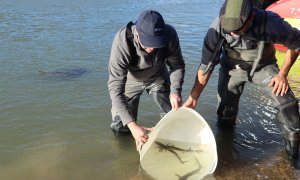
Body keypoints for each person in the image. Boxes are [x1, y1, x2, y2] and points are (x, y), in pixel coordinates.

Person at [183, 0, 300, 163]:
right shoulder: (217, 27)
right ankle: (225, 154)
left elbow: (296, 43)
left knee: (288, 105)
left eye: (236, 30)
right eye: (228, 31)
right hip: (232, 68)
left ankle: (292, 158)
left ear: (251, 17)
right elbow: (206, 66)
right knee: (225, 112)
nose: (231, 34)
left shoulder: (272, 22)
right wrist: (193, 97)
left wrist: (283, 74)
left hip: (263, 67)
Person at [108, 10, 185, 148]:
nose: (151, 48)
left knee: (173, 116)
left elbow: (177, 65)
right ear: (137, 32)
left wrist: (175, 91)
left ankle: (170, 140)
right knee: (120, 127)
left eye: (156, 44)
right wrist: (132, 126)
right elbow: (115, 88)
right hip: (131, 80)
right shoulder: (122, 41)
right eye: (147, 43)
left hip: (158, 76)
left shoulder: (170, 34)